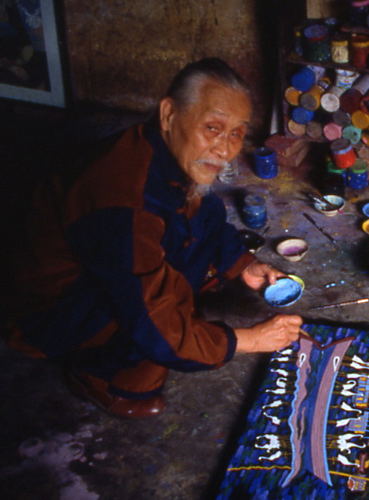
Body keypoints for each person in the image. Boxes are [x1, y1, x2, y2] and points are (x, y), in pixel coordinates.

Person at [2, 58, 303, 419]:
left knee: (202, 213)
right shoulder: (121, 197)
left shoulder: (161, 151)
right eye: (212, 127)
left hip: (109, 262)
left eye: (236, 133)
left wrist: (245, 265)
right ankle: (95, 375)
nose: (224, 150)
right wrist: (250, 340)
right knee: (153, 344)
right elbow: (150, 316)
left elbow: (206, 221)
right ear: (168, 115)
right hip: (49, 312)